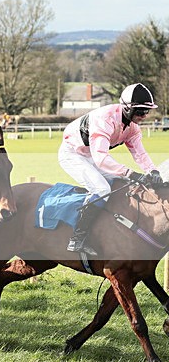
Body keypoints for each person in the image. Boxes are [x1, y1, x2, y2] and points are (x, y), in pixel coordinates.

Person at [59, 82, 162, 255]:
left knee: (125, 182)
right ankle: (77, 239)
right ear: (127, 108)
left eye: (147, 111)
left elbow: (139, 154)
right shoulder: (105, 119)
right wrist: (132, 173)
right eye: (141, 111)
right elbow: (101, 159)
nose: (144, 116)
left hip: (92, 155)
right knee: (101, 188)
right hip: (73, 154)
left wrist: (153, 171)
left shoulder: (133, 127)